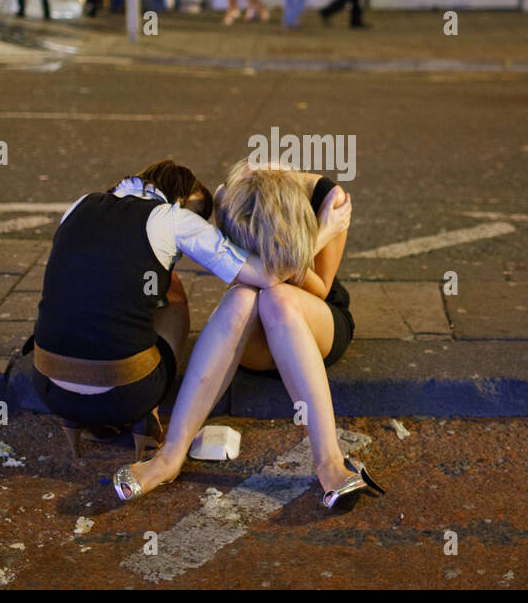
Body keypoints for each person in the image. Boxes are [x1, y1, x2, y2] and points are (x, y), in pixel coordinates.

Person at [115, 160, 382, 512]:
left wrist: (321, 234)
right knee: (243, 295)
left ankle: (330, 461)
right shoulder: (230, 198)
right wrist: (284, 259)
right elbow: (239, 275)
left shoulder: (327, 199)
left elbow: (320, 288)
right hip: (256, 330)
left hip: (314, 319)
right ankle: (169, 459)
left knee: (278, 297)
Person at [26, 160, 288, 467]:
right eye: (198, 214)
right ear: (184, 198)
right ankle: (147, 414)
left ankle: (76, 418)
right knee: (172, 290)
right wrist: (325, 230)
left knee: (131, 288)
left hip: (47, 386)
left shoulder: (81, 204)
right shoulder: (173, 219)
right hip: (127, 394)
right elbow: (266, 275)